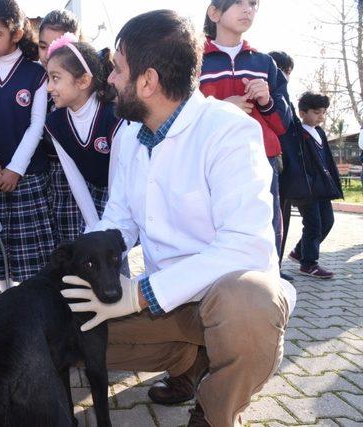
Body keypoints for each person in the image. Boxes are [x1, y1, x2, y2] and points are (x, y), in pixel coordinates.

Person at [59, 10, 296, 426]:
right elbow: (119, 221)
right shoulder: (129, 134)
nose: (109, 80)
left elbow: (246, 246)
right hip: (166, 307)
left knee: (253, 304)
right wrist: (72, 267)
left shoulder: (230, 132)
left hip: (219, 300)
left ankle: (214, 408)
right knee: (59, 319)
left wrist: (138, 295)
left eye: (117, 69)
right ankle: (189, 359)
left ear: (147, 82)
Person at [199, 0, 292, 268]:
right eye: (238, 2)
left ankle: (267, 287)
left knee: (265, 227)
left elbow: (283, 124)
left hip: (262, 158)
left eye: (253, 3)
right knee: (213, 229)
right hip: (211, 160)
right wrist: (220, 108)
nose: (248, 8)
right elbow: (180, 113)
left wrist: (267, 101)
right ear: (214, 12)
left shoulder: (265, 63)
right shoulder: (195, 61)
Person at [0, 0, 54, 289]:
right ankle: (7, 315)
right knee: (1, 260)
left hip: (28, 178)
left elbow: (36, 125)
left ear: (16, 34)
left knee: (31, 265)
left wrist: (15, 169)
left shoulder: (36, 74)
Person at [45, 35, 128, 243]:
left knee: (116, 252)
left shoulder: (115, 118)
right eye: (48, 78)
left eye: (55, 78)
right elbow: (75, 180)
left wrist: (106, 232)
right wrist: (94, 228)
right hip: (90, 197)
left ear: (83, 81)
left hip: (123, 196)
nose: (48, 87)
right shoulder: (55, 123)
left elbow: (117, 184)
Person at [37, 10, 82, 245]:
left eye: (56, 47)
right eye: (43, 46)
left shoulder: (86, 87)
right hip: (48, 177)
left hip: (84, 175)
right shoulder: (34, 81)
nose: (47, 55)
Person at [287, 92, 343, 279]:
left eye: (323, 113)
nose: (321, 116)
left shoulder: (318, 132)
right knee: (313, 225)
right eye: (316, 112)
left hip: (322, 188)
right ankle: (308, 263)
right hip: (306, 188)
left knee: (328, 221)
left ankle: (299, 251)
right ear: (303, 113)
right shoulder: (298, 133)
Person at [269, 50, 306, 280]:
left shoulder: (284, 98)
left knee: (282, 218)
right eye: (283, 70)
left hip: (287, 169)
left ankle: (277, 266)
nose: (286, 76)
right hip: (273, 165)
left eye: (289, 71)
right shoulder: (266, 96)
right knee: (272, 217)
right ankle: (271, 268)